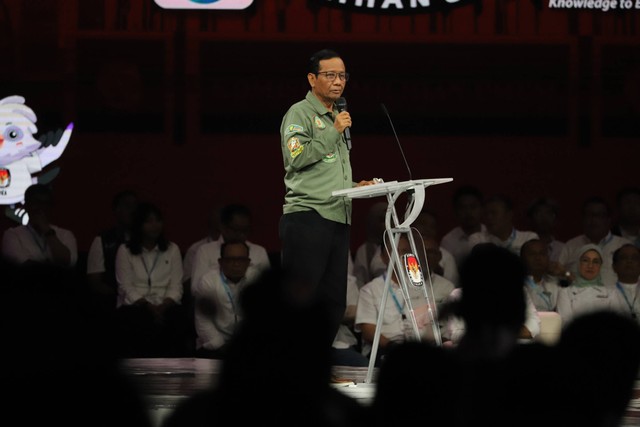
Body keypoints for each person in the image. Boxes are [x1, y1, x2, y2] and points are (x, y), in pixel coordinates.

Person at [279, 48, 376, 350]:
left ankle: (315, 364)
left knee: (333, 300)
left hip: (337, 216)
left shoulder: (337, 116)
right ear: (312, 78)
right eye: (330, 75)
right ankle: (292, 365)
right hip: (307, 215)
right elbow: (297, 159)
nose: (338, 82)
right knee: (302, 298)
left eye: (342, 76)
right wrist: (333, 131)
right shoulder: (300, 113)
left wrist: (353, 184)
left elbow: (324, 172)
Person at [114, 202, 188, 357]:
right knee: (137, 319)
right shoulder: (125, 250)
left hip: (166, 304)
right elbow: (126, 287)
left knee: (179, 318)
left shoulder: (172, 249)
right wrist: (148, 306)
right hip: (136, 305)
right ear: (139, 224)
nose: (155, 225)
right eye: (149, 221)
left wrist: (163, 306)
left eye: (158, 220)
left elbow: (176, 286)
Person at [355, 234, 438, 366]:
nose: (400, 256)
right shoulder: (370, 289)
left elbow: (430, 324)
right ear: (383, 257)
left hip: (418, 348)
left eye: (405, 251)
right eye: (394, 251)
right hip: (386, 350)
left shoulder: (421, 287)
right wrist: (392, 346)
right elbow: (368, 330)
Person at [193, 241, 260, 359]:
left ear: (248, 262)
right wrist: (223, 347)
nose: (236, 264)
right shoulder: (208, 281)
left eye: (241, 260)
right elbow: (203, 321)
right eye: (231, 260)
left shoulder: (256, 279)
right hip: (217, 345)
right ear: (221, 262)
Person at [190, 203, 270, 300]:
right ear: (223, 227)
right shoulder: (205, 251)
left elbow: (268, 287)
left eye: (245, 230)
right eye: (236, 230)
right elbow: (196, 289)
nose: (241, 235)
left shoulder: (259, 252)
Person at [558, 196, 632, 287]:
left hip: (617, 299)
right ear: (583, 219)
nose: (594, 220)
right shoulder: (571, 245)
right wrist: (568, 275)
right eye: (589, 215)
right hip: (578, 298)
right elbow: (559, 274)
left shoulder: (623, 246)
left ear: (608, 220)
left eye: (599, 215)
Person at [86, 189, 138, 314]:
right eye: (127, 206)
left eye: (135, 207)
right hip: (113, 303)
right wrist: (122, 295)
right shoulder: (103, 240)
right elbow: (95, 282)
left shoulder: (146, 240)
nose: (132, 211)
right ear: (116, 210)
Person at [1, 183, 78, 269]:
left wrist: (48, 231)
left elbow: (69, 262)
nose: (41, 208)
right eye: (36, 203)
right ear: (26, 206)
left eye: (45, 204)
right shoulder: (13, 235)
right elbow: (24, 266)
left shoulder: (65, 235)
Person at [556, 243, 617, 326]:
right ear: (578, 263)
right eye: (585, 260)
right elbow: (566, 323)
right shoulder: (565, 293)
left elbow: (615, 323)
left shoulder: (611, 293)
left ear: (600, 266)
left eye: (595, 262)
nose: (590, 266)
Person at [468, 193, 538, 256]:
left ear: (509, 215)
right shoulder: (477, 239)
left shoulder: (528, 238)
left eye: (494, 213)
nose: (489, 217)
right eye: (486, 214)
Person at [440, 184, 486, 268]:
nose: (468, 212)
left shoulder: (491, 234)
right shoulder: (448, 241)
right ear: (455, 211)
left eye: (473, 207)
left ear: (481, 209)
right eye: (463, 208)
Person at [521, 238, 562, 312]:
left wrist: (564, 272)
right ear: (522, 258)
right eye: (532, 254)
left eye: (542, 254)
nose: (538, 258)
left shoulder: (556, 283)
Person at [352, 201, 388, 288]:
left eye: (389, 219)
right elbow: (359, 281)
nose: (386, 224)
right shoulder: (363, 250)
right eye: (382, 220)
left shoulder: (400, 245)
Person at [526, 196, 565, 266]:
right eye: (538, 213)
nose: (544, 218)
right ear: (531, 218)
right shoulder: (523, 247)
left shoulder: (563, 249)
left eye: (548, 213)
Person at [610, 243, 640, 322]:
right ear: (614, 266)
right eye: (623, 258)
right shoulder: (606, 295)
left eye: (634, 258)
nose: (629, 261)